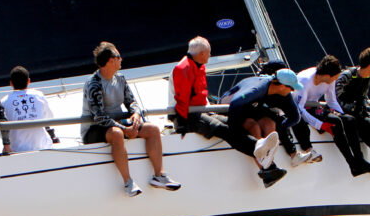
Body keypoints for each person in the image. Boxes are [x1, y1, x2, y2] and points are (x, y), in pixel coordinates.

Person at [169, 36, 283, 188]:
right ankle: (263, 155)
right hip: (187, 116)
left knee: (234, 124)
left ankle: (266, 165)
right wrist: (182, 127)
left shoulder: (198, 66)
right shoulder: (183, 68)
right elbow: (182, 100)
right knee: (224, 129)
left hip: (202, 111)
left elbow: (200, 96)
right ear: (201, 53)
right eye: (208, 53)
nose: (210, 55)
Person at [82, 41, 180, 196]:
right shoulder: (93, 84)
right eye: (118, 56)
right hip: (95, 128)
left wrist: (135, 115)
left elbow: (132, 102)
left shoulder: (120, 78)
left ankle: (159, 175)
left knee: (153, 129)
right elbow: (99, 116)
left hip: (118, 123)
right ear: (111, 60)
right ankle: (128, 182)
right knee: (117, 134)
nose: (121, 59)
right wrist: (125, 129)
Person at [292, 55, 370, 177]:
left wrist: (343, 116)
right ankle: (352, 164)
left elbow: (331, 101)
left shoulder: (330, 79)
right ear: (328, 75)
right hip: (300, 108)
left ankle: (360, 160)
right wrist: (320, 125)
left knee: (349, 120)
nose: (336, 79)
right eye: (335, 77)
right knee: (336, 123)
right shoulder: (304, 81)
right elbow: (299, 109)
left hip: (314, 106)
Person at [221, 68, 303, 186]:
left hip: (251, 106)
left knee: (270, 123)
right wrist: (235, 131)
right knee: (254, 126)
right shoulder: (257, 89)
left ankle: (268, 162)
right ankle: (266, 169)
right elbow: (235, 103)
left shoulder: (284, 94)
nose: (293, 91)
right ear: (281, 86)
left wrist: (280, 128)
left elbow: (295, 117)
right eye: (292, 88)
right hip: (232, 106)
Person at [259, 59, 321, 167]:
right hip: (261, 112)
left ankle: (308, 149)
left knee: (297, 119)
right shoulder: (261, 84)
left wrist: (289, 119)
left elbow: (293, 112)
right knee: (280, 121)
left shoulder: (283, 89)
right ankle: (293, 154)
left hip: (276, 110)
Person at [0, 66, 54, 152]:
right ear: (29, 81)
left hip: (17, 150)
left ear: (11, 83)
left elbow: (2, 129)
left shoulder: (4, 101)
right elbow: (49, 118)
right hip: (43, 147)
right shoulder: (39, 95)